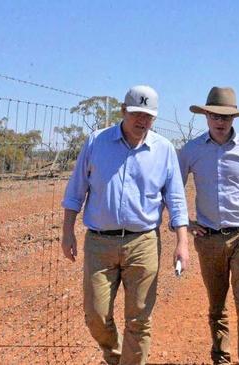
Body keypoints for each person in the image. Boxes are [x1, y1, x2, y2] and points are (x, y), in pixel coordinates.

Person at [60, 85, 189, 365]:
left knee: (139, 319)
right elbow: (75, 191)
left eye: (149, 116)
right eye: (137, 114)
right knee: (95, 316)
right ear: (123, 111)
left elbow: (176, 199)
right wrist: (67, 231)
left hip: (142, 242)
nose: (142, 121)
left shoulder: (163, 150)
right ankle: (116, 356)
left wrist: (182, 242)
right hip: (99, 243)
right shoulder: (97, 142)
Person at [178, 86, 239, 365]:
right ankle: (220, 357)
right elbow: (172, 187)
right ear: (206, 116)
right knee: (216, 305)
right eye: (215, 116)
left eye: (226, 117)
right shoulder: (191, 150)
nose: (220, 122)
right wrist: (185, 221)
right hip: (208, 238)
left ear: (234, 119)